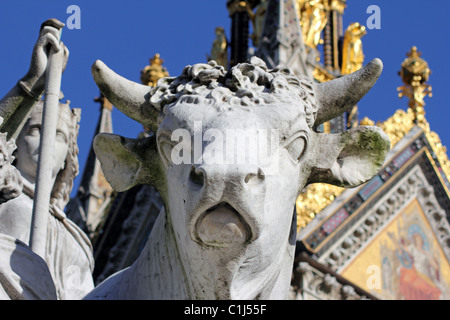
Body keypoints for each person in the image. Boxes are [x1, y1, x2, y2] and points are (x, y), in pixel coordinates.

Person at [0, 19, 94, 299]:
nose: (46, 142)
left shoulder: (77, 236)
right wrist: (32, 83)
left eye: (59, 136)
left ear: (69, 157)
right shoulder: (5, 196)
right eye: (37, 130)